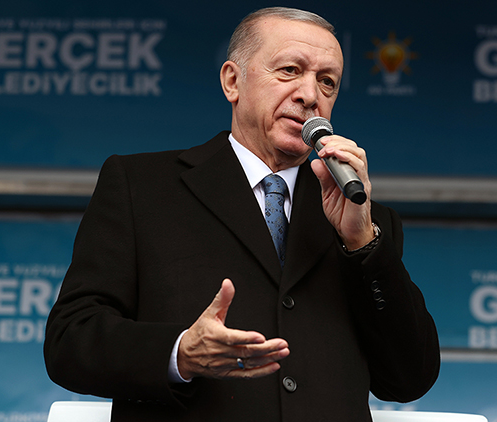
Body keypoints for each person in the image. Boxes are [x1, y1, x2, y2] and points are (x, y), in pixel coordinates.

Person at [44, 7, 440, 421]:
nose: (310, 95)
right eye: (290, 70)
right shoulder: (140, 186)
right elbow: (70, 339)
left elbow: (409, 379)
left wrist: (362, 245)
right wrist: (180, 353)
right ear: (233, 81)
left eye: (327, 81)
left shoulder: (364, 221)